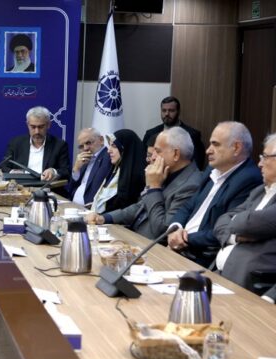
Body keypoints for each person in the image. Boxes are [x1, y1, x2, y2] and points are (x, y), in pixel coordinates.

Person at [167, 121, 263, 267]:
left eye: (215, 144)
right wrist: (175, 228)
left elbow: (227, 229)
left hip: (201, 257)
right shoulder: (212, 170)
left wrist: (184, 239)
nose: (208, 150)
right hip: (179, 248)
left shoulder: (249, 179)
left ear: (236, 148)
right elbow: (188, 206)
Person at [88, 127, 202, 239]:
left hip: (151, 246)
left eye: (158, 151)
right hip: (133, 237)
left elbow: (163, 231)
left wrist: (154, 188)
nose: (153, 157)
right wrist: (104, 218)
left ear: (176, 154)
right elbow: (140, 207)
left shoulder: (191, 185)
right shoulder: (167, 171)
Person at [213, 134, 276, 288]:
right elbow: (221, 220)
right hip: (219, 273)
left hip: (248, 282)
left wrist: (236, 221)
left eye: (265, 157)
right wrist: (235, 237)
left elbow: (247, 223)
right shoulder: (259, 191)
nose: (259, 164)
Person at [2, 106, 71, 181]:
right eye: (33, 127)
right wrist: (13, 172)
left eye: (41, 127)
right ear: (27, 124)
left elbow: (66, 171)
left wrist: (54, 171)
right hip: (20, 186)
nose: (37, 131)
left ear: (48, 125)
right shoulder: (16, 143)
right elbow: (3, 167)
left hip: (46, 186)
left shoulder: (59, 145)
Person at [90, 129, 146, 214]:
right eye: (109, 145)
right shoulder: (115, 170)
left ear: (126, 148)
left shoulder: (136, 176)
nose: (109, 150)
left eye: (114, 146)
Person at [142, 96, 205, 170]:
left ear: (178, 111)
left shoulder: (192, 135)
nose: (167, 114)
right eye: (164, 110)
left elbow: (197, 164)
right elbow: (142, 160)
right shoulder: (150, 133)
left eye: (171, 110)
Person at [67, 128, 112, 206]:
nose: (85, 148)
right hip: (73, 205)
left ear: (101, 140)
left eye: (88, 143)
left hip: (90, 208)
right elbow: (71, 188)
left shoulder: (109, 157)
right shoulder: (83, 160)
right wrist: (76, 169)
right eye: (81, 146)